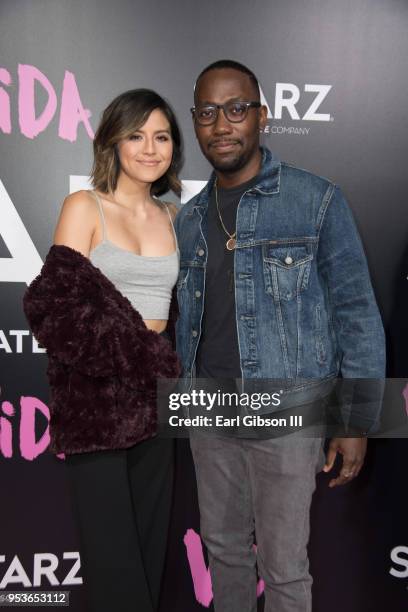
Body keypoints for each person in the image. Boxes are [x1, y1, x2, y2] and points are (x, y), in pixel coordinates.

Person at [174, 60, 385, 612]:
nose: (223, 125)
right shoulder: (189, 219)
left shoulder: (315, 200)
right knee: (224, 552)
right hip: (209, 412)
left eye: (237, 109)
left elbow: (357, 312)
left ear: (262, 117)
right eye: (208, 112)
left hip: (288, 412)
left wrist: (355, 420)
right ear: (195, 122)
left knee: (286, 566)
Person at [23, 89, 182, 612]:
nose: (149, 148)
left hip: (159, 403)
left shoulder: (173, 215)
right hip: (97, 401)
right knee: (113, 561)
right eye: (136, 135)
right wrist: (148, 359)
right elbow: (55, 306)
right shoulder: (84, 205)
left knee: (149, 546)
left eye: (161, 136)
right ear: (112, 142)